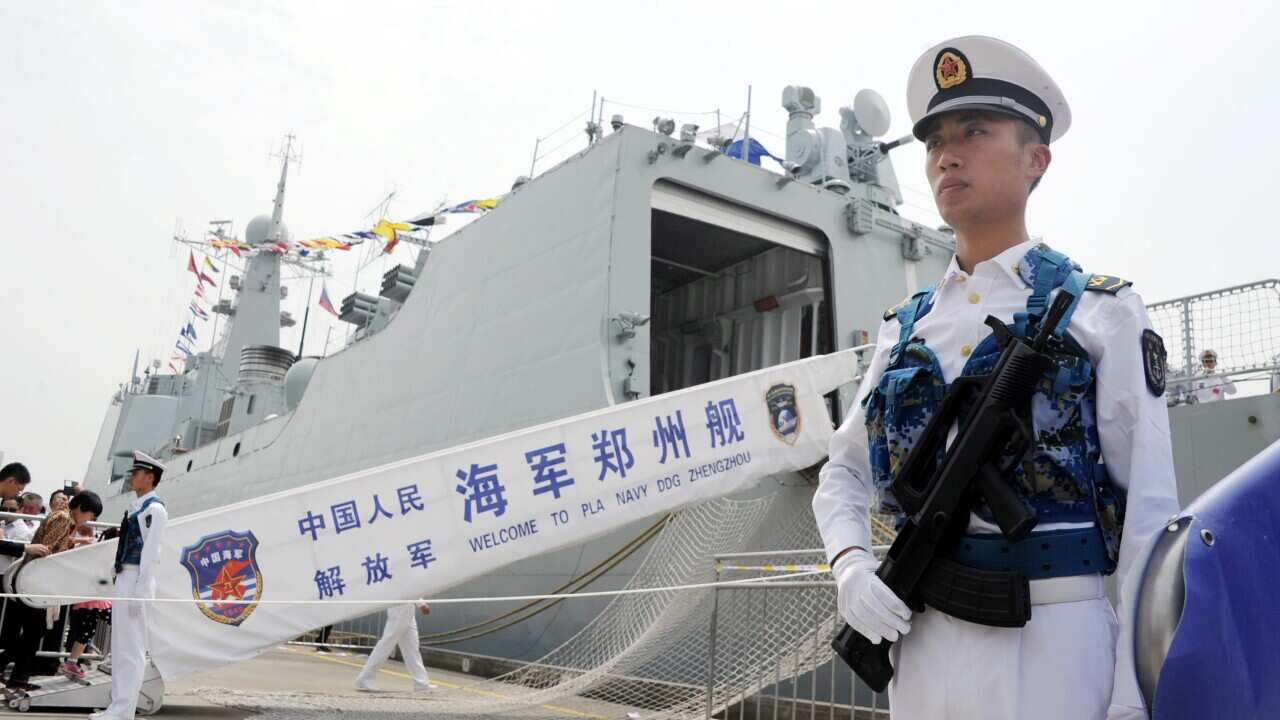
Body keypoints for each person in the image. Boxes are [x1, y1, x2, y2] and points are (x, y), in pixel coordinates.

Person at [812, 36, 1180, 720]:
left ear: (1035, 158)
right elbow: (842, 477)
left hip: (1053, 649)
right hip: (919, 650)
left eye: (974, 132)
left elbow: (1150, 514)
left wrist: (1133, 689)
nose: (947, 155)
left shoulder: (1101, 312)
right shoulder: (905, 327)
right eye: (935, 142)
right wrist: (851, 567)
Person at [0, 489, 101, 689]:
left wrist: (78, 543)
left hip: (31, 580)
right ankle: (18, 678)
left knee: (31, 632)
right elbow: (46, 549)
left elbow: (56, 544)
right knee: (34, 632)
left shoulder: (62, 518)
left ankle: (17, 677)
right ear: (81, 509)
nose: (88, 520)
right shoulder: (63, 519)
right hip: (34, 582)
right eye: (90, 515)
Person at [92, 452, 167, 720]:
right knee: (120, 646)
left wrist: (140, 591)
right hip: (125, 577)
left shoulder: (155, 510)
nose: (132, 478)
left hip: (138, 580)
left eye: (136, 474)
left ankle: (124, 711)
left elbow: (151, 554)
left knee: (133, 649)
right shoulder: (137, 507)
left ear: (150, 477)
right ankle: (117, 706)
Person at [60, 506, 110, 680]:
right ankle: (72, 662)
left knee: (88, 629)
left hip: (94, 591)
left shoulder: (94, 538)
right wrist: (83, 541)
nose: (90, 519)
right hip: (89, 592)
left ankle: (72, 661)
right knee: (87, 630)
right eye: (91, 515)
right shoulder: (74, 531)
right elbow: (63, 543)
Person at [354, 603, 436, 693]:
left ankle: (421, 683)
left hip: (408, 611)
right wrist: (421, 603)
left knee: (412, 649)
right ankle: (365, 679)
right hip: (399, 609)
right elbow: (406, 589)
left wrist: (420, 603)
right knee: (386, 645)